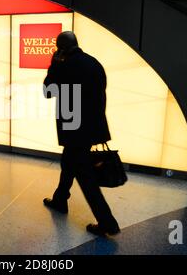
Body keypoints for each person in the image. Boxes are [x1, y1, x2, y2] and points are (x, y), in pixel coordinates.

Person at [42, 31, 120, 236]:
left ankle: (107, 222)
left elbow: (47, 91)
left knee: (86, 178)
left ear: (60, 48)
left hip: (74, 129)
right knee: (68, 162)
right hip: (92, 128)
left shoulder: (63, 66)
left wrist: (54, 65)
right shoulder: (94, 63)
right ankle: (60, 200)